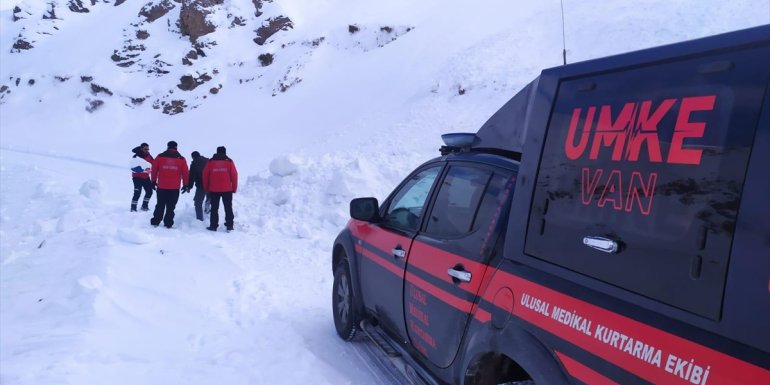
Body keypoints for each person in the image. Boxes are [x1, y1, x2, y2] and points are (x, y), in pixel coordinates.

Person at [150, 141, 190, 228]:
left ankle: (156, 221)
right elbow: (185, 173)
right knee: (171, 206)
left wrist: (153, 181)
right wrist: (185, 184)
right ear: (176, 147)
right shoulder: (181, 159)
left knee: (160, 204)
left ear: (168, 147)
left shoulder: (160, 157)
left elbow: (154, 169)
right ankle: (168, 223)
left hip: (162, 186)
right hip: (174, 188)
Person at [202, 146, 238, 232]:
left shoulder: (211, 162)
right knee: (228, 208)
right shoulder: (229, 162)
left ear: (217, 152)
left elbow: (205, 174)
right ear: (225, 152)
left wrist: (206, 187)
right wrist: (234, 188)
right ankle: (229, 225)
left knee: (214, 208)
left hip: (214, 189)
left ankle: (213, 226)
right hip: (227, 189)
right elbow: (234, 175)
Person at [130, 142, 154, 212]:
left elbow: (153, 163)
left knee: (149, 192)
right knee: (137, 193)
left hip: (146, 177)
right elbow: (133, 168)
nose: (147, 150)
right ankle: (133, 208)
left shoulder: (149, 156)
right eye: (145, 149)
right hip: (137, 178)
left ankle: (144, 206)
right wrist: (143, 170)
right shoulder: (135, 157)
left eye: (148, 149)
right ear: (141, 149)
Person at [187, 151, 211, 221]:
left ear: (193, 157)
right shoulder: (208, 161)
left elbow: (192, 176)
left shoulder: (194, 163)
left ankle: (199, 219)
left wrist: (189, 187)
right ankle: (208, 204)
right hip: (211, 183)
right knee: (209, 196)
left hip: (201, 185)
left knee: (198, 202)